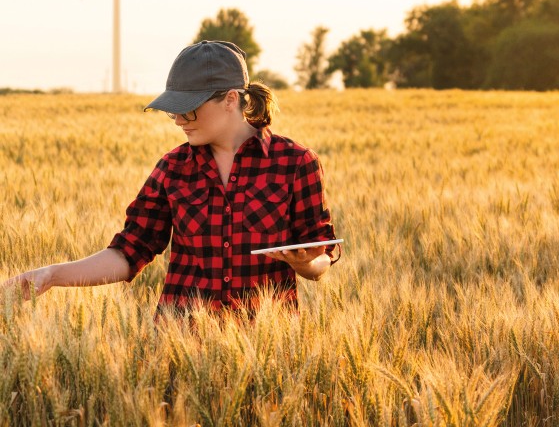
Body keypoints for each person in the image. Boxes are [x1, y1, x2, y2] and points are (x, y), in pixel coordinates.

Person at [2, 40, 340, 312]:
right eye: (173, 111)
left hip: (269, 352)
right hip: (179, 347)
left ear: (231, 100)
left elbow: (319, 256)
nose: (179, 120)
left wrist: (305, 264)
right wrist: (52, 275)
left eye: (188, 108)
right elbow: (129, 252)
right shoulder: (172, 168)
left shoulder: (295, 163)